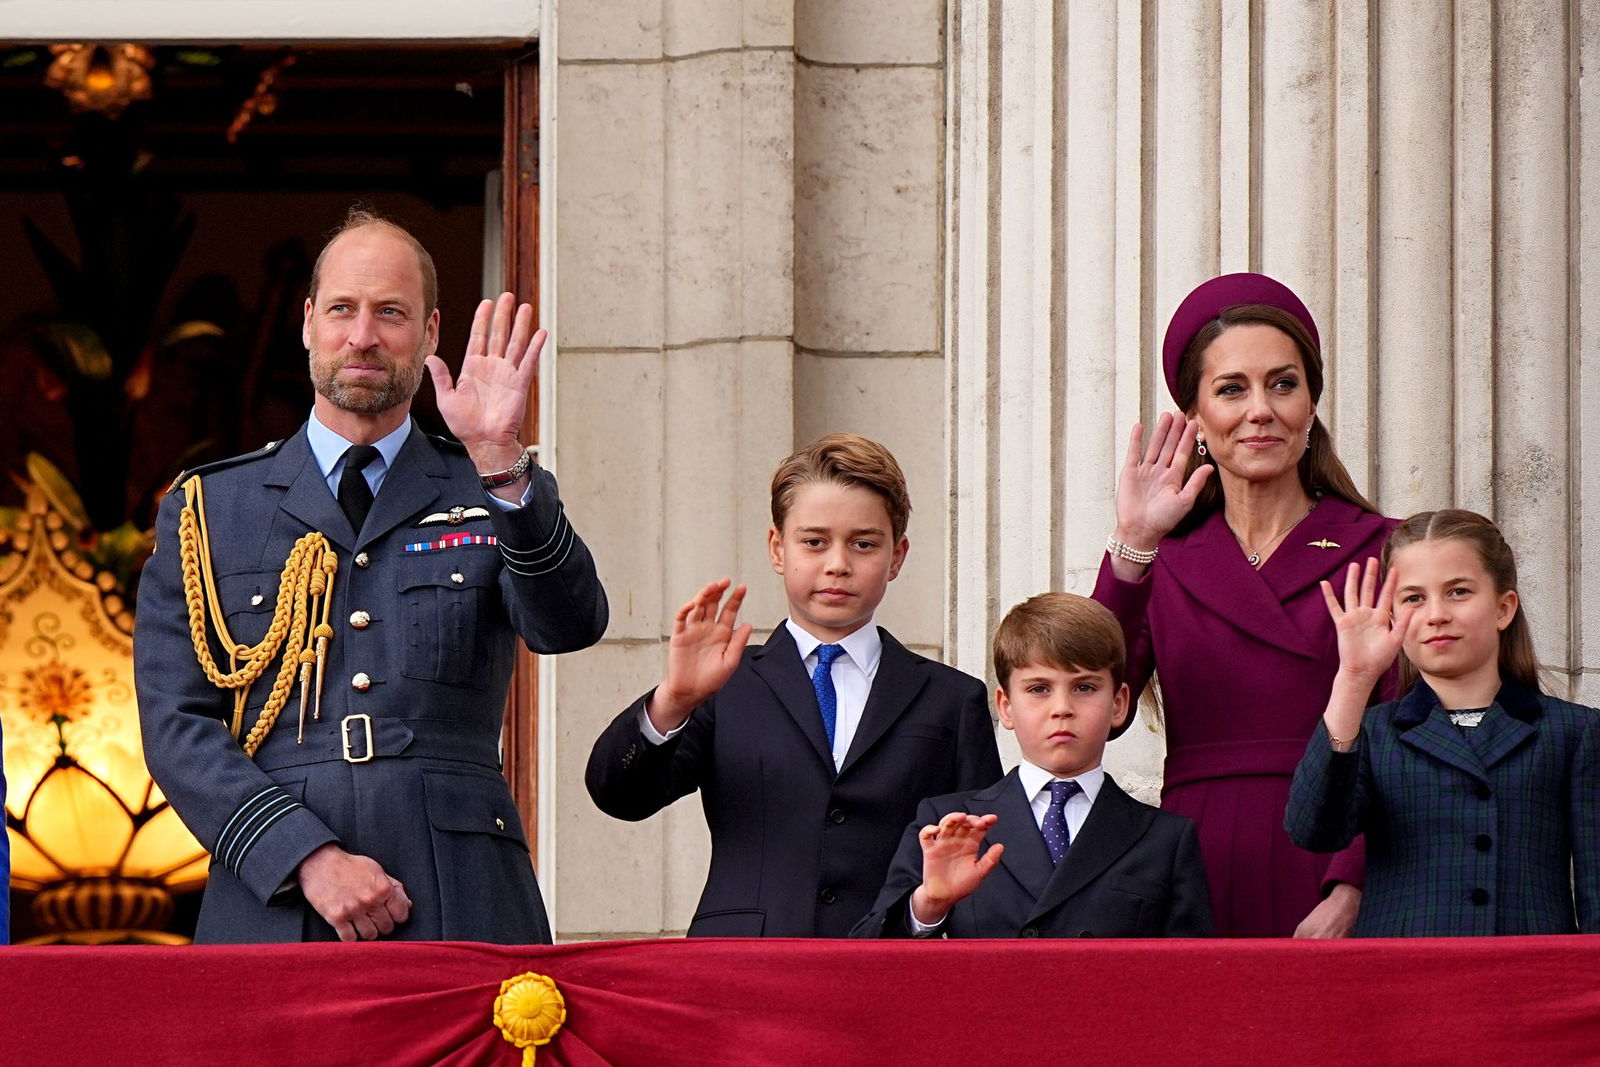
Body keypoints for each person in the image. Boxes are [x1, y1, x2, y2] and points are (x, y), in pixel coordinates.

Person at [134, 209, 608, 944]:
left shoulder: (486, 483)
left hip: (461, 887)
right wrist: (307, 857)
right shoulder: (208, 508)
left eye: (391, 312)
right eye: (342, 310)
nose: (362, 335)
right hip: (277, 897)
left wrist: (500, 460)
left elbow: (570, 624)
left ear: (430, 333)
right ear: (307, 323)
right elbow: (175, 726)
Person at [585, 433, 1002, 936]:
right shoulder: (724, 683)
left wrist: (921, 917)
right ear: (777, 548)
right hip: (742, 968)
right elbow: (618, 795)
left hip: (890, 968)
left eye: (864, 544)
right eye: (814, 541)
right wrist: (673, 700)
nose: (837, 564)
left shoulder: (951, 699)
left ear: (897, 556)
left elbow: (973, 861)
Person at [1093, 272, 1396, 937]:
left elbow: (1407, 739)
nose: (1261, 409)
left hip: (1329, 853)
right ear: (1197, 419)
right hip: (1190, 860)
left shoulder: (1382, 548)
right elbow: (1095, 704)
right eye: (1232, 389)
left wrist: (1353, 885)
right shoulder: (1162, 557)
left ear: (1311, 402)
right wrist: (1135, 543)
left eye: (1283, 384)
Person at [1287, 511, 1600, 935]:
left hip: (1525, 982)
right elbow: (1313, 829)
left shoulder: (1573, 731)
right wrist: (1354, 679)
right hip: (1399, 981)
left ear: (1503, 608)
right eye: (1414, 598)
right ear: (1394, 618)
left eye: (1458, 592)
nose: (1436, 614)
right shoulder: (1376, 732)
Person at [851, 593, 1212, 938]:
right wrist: (929, 904)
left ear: (1118, 704)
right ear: (1006, 707)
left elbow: (1188, 978)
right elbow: (869, 958)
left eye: (1084, 687)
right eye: (1039, 689)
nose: (1061, 708)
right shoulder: (948, 823)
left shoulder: (1164, 838)